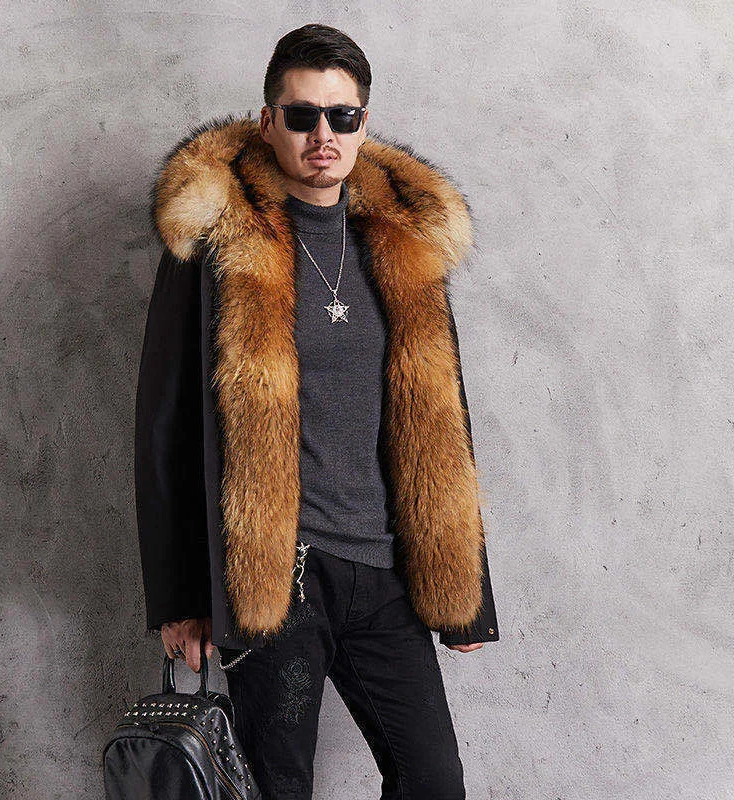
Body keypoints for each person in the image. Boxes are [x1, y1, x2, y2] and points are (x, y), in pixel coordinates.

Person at [135, 23, 500, 800]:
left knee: (434, 780)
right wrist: (179, 599)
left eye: (342, 115)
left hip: (387, 571)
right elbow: (164, 427)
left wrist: (468, 594)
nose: (323, 135)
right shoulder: (220, 246)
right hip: (278, 576)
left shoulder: (403, 244)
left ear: (365, 122)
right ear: (269, 122)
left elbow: (443, 417)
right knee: (281, 787)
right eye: (302, 115)